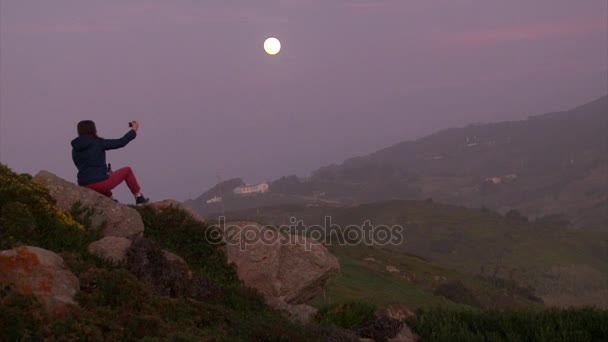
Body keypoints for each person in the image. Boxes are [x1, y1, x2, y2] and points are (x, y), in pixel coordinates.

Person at [71, 120, 149, 205]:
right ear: (93, 129)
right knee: (127, 171)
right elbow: (121, 142)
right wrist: (134, 130)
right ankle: (139, 197)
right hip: (99, 184)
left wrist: (104, 173)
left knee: (102, 180)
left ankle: (112, 201)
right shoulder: (98, 142)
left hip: (84, 184)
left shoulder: (75, 149)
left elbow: (83, 166)